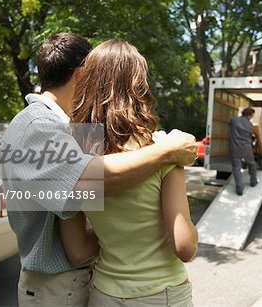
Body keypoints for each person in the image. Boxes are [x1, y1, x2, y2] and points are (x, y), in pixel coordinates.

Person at [1, 33, 197, 307]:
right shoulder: (41, 127)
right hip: (58, 289)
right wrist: (167, 151)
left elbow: (78, 241)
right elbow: (85, 179)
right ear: (83, 75)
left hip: (95, 289)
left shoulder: (77, 140)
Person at [70, 39, 198, 307]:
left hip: (104, 294)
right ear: (138, 87)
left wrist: (115, 236)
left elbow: (77, 250)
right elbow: (184, 247)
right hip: (160, 293)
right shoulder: (165, 149)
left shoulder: (77, 154)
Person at [229, 107, 258, 195]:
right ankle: (253, 181)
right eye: (252, 116)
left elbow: (229, 123)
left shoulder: (234, 120)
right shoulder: (250, 125)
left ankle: (240, 189)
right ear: (249, 115)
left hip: (235, 148)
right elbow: (251, 135)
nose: (252, 117)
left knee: (236, 168)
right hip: (246, 148)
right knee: (251, 163)